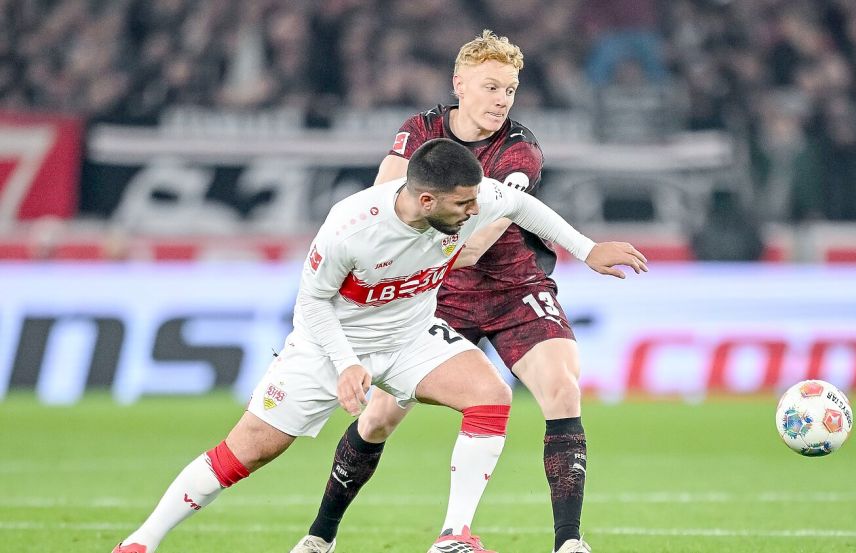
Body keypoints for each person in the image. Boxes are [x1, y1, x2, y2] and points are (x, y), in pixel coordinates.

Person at [112, 138, 648, 553]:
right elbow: (312, 305)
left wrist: (585, 249)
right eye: (461, 205)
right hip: (331, 347)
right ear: (425, 198)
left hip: (411, 334)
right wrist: (346, 365)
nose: (471, 213)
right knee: (244, 453)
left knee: (490, 395)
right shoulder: (351, 226)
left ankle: (453, 534)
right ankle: (142, 540)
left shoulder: (469, 197)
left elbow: (525, 210)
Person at [292, 31, 616, 553]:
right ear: (459, 84)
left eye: (509, 90)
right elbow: (382, 197)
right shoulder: (418, 131)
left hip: (514, 287)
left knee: (562, 388)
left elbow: (474, 244)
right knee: (377, 419)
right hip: (436, 294)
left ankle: (568, 542)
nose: (501, 100)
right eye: (491, 87)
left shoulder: (520, 149)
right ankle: (320, 536)